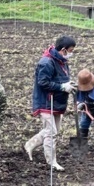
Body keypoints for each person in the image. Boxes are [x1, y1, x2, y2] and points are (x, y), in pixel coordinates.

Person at [24, 36, 77, 171]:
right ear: (63, 50)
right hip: (46, 101)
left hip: (57, 100)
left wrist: (68, 85)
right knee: (51, 132)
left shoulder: (61, 60)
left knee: (54, 130)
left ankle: (30, 144)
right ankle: (51, 162)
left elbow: (61, 78)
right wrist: (62, 87)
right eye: (70, 51)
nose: (71, 53)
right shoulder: (46, 62)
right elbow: (43, 82)